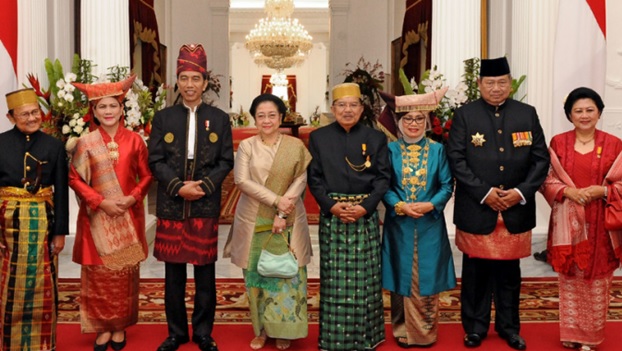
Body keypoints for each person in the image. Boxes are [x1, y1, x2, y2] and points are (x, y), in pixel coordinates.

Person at [446, 57, 549, 350]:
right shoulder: (465, 115)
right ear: (479, 85)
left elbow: (541, 159)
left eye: (502, 82)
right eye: (489, 83)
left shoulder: (526, 114)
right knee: (475, 273)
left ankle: (509, 328)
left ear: (511, 83)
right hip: (478, 206)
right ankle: (475, 328)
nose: (496, 88)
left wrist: (519, 192)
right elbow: (456, 158)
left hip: (515, 208)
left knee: (509, 274)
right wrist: (484, 192)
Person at [148, 43, 234, 351]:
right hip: (172, 204)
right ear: (176, 81)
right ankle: (175, 332)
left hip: (205, 204)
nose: (189, 85)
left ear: (205, 82)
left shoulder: (220, 119)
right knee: (173, 274)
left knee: (204, 273)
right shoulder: (163, 117)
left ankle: (202, 332)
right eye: (184, 78)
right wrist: (176, 186)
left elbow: (226, 160)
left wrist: (205, 185)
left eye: (195, 79)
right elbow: (155, 159)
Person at [68, 75, 153, 351]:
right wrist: (100, 201)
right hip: (97, 218)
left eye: (112, 106)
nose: (108, 112)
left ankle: (120, 327)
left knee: (123, 275)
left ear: (121, 108)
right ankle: (101, 328)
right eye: (101, 107)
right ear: (93, 112)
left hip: (128, 215)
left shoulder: (136, 141)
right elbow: (74, 179)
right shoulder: (86, 143)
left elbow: (147, 176)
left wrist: (132, 198)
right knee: (99, 275)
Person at [224, 94, 312, 351]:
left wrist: (283, 211)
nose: (266, 120)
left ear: (281, 117)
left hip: (290, 217)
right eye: (260, 115)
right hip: (252, 219)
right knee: (256, 277)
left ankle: (283, 328)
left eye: (271, 115)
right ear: (254, 118)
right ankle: (261, 329)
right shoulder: (248, 146)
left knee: (287, 275)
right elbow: (241, 180)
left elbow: (300, 180)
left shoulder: (295, 146)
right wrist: (276, 200)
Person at [307, 82, 391, 351]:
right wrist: (330, 205)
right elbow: (315, 178)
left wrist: (366, 206)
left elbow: (382, 178)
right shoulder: (319, 138)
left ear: (361, 108)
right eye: (341, 105)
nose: (347, 110)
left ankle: (366, 337)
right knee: (334, 280)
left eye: (353, 105)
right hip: (333, 215)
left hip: (363, 215)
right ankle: (333, 339)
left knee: (367, 280)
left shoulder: (376, 138)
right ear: (333, 109)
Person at [539, 87, 622, 351]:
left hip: (602, 222)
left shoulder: (614, 144)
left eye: (590, 110)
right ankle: (572, 334)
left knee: (598, 279)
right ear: (569, 115)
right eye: (578, 111)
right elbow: (547, 179)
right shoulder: (558, 143)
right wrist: (568, 192)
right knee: (572, 279)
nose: (584, 115)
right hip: (568, 221)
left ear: (599, 112)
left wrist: (604, 191)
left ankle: (591, 338)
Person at [381, 87, 456, 348]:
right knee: (399, 272)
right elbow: (384, 186)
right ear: (399, 123)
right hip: (398, 223)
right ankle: (401, 327)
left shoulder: (438, 150)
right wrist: (399, 205)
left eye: (419, 119)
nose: (413, 124)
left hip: (429, 223)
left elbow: (447, 185)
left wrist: (429, 205)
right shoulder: (390, 150)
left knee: (427, 274)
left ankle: (424, 331)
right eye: (408, 119)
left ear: (426, 123)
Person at [0, 88, 69, 350]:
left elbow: (61, 191)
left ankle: (43, 343)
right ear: (10, 117)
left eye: (35, 112)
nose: (31, 118)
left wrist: (60, 232)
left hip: (43, 223)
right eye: (24, 114)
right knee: (9, 287)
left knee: (44, 283)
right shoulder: (1, 143)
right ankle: (11, 343)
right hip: (7, 224)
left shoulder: (53, 145)